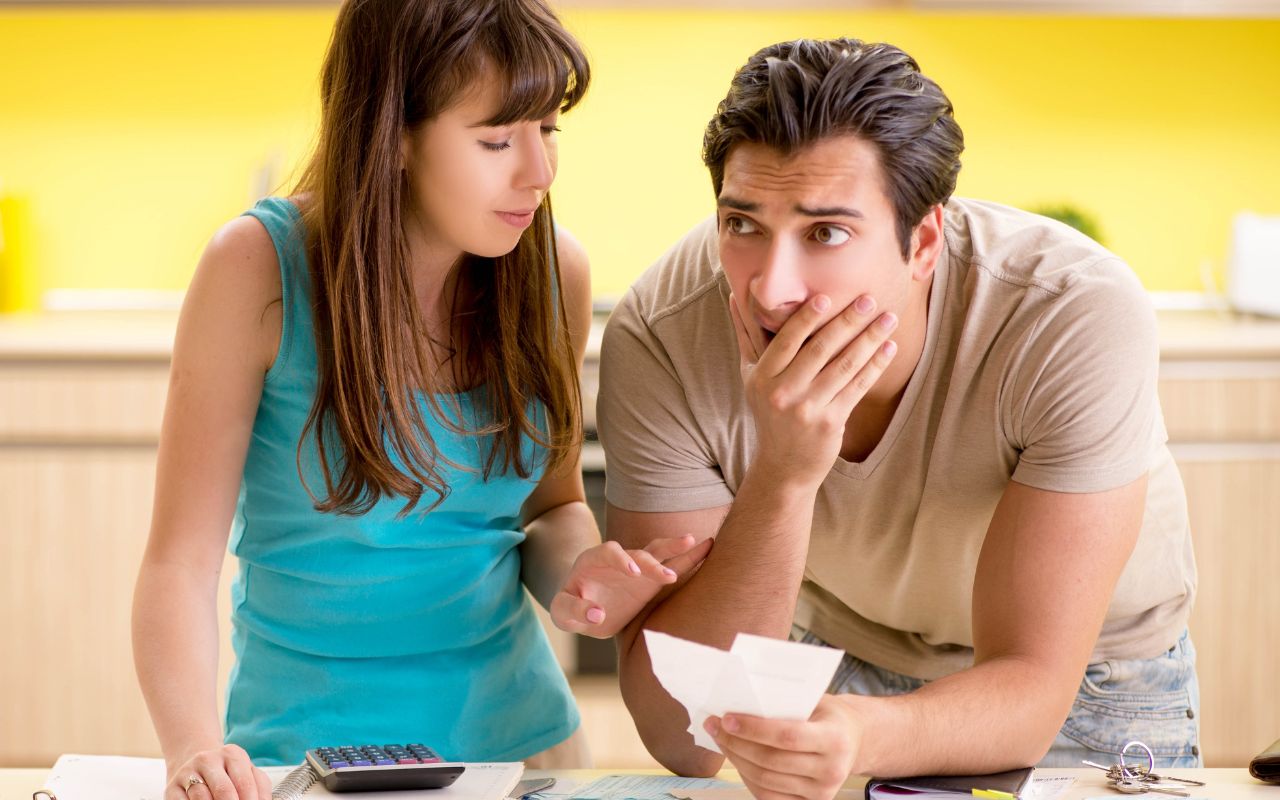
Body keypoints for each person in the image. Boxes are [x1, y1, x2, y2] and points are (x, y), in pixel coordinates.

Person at [598, 37, 1199, 800]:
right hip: (838, 647)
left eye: (825, 233)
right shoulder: (662, 332)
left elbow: (1028, 686)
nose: (772, 290)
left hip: (1091, 675)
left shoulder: (1072, 313)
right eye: (743, 225)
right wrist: (783, 474)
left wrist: (859, 733)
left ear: (921, 243)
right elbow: (675, 734)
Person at [131, 2, 707, 799]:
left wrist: (584, 575)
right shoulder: (255, 269)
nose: (538, 172)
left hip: (522, 756)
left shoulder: (552, 273)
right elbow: (178, 562)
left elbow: (549, 504)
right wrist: (191, 747)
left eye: (549, 130)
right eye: (497, 139)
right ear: (392, 132)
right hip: (304, 760)